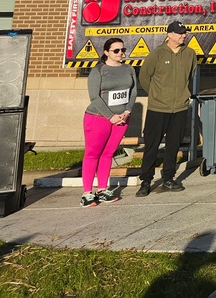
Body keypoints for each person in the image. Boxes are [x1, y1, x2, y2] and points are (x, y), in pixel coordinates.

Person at [136, 20, 197, 197]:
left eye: (184, 32)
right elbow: (144, 77)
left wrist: (183, 95)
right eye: (179, 33)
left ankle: (168, 178)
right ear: (169, 35)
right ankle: (146, 181)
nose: (183, 35)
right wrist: (157, 94)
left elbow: (190, 75)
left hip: (179, 108)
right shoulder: (156, 54)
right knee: (152, 146)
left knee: (173, 146)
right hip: (158, 108)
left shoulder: (190, 54)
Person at [81, 38, 137, 206]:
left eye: (122, 50)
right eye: (116, 51)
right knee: (93, 154)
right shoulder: (99, 70)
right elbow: (94, 97)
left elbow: (133, 92)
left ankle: (103, 189)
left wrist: (126, 112)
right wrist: (110, 116)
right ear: (106, 52)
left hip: (122, 119)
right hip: (99, 117)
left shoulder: (129, 69)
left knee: (108, 154)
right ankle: (87, 193)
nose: (121, 53)